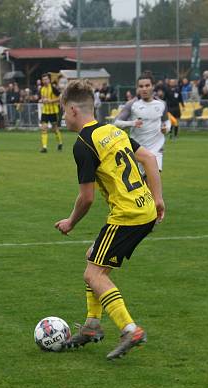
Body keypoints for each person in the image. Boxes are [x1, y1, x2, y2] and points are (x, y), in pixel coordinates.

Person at [54, 80, 165, 361]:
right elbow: (149, 159)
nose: (63, 118)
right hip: (145, 210)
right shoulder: (113, 130)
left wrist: (70, 222)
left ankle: (130, 329)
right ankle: (92, 325)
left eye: (63, 112)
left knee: (93, 274)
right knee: (93, 256)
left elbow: (86, 198)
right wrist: (158, 198)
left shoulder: (84, 144)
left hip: (126, 215)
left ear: (73, 110)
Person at [114, 72, 169, 174]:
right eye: (141, 86)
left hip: (156, 150)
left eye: (147, 85)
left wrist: (166, 128)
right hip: (138, 149)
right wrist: (132, 123)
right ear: (137, 88)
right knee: (143, 185)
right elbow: (116, 123)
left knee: (152, 180)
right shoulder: (131, 104)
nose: (144, 89)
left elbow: (166, 121)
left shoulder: (162, 104)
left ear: (153, 86)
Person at [39, 73, 63, 152]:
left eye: (46, 79)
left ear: (49, 80)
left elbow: (60, 97)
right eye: (43, 80)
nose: (45, 81)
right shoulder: (42, 89)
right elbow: (42, 99)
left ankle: (60, 143)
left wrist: (50, 101)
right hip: (45, 111)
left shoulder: (53, 88)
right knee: (43, 128)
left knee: (54, 129)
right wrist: (42, 100)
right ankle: (44, 147)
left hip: (53, 111)